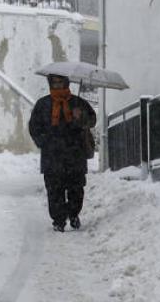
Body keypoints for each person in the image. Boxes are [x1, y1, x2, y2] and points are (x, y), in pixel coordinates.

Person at [28, 74, 96, 232]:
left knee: (76, 189)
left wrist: (82, 117)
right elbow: (34, 127)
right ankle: (58, 220)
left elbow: (92, 120)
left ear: (66, 83)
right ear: (50, 84)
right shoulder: (43, 104)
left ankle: (73, 215)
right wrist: (44, 141)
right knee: (54, 190)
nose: (58, 85)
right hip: (52, 156)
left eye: (60, 82)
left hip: (75, 154)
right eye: (55, 82)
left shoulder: (78, 103)